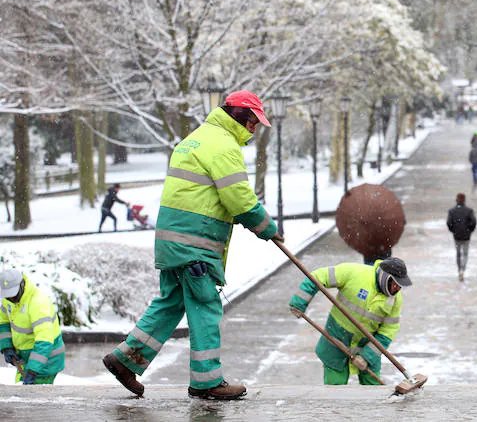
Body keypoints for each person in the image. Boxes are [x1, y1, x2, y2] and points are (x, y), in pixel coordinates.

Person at [102, 90, 283, 401]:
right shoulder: (224, 146)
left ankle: (124, 360)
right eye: (253, 122)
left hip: (172, 241)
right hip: (195, 244)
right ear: (239, 116)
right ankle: (207, 381)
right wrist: (268, 228)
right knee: (205, 307)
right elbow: (239, 199)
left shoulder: (195, 138)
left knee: (170, 302)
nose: (254, 130)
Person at [288, 258, 411, 385]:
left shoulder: (395, 300)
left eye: (400, 285)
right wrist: (299, 302)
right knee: (335, 389)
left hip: (367, 344)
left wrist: (366, 356)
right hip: (336, 340)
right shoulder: (354, 273)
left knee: (374, 389)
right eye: (395, 283)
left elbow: (387, 331)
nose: (397, 288)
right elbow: (318, 277)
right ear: (385, 277)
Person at [0, 269, 65, 385]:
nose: (10, 298)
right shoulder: (8, 300)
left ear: (22, 285)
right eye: (7, 295)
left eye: (12, 294)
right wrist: (7, 347)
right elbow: (3, 322)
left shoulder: (38, 303)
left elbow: (44, 341)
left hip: (46, 361)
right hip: (26, 358)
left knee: (33, 398)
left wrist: (32, 370)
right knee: (21, 393)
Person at [446, 193, 477, 281]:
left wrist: (453, 230)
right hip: (466, 235)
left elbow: (449, 223)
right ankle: (463, 269)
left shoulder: (452, 211)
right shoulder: (469, 211)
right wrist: (470, 230)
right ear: (464, 200)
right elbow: (473, 222)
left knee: (458, 253)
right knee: (465, 253)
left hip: (457, 235)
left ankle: (459, 269)